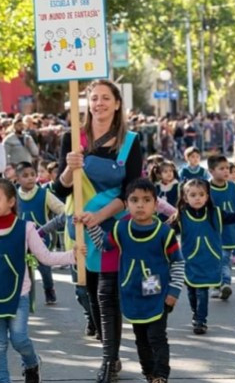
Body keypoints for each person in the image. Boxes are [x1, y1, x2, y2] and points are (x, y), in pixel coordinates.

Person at [53, 79, 142, 382]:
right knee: (90, 295)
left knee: (107, 295)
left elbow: (132, 192)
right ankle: (109, 348)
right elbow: (59, 189)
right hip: (78, 229)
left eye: (106, 98)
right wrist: (69, 167)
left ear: (117, 103)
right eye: (94, 98)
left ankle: (109, 360)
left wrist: (100, 215)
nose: (99, 103)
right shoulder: (72, 139)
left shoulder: (130, 141)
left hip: (111, 229)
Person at [0, 178, 76, 383]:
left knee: (19, 339)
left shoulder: (25, 228)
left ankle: (31, 362)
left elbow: (45, 257)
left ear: (11, 201)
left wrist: (73, 255)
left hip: (19, 295)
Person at [96, 179, 183, 383]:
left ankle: (161, 375)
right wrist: (89, 224)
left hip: (158, 296)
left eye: (146, 200)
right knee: (141, 340)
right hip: (132, 296)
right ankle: (149, 374)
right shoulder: (120, 229)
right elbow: (103, 245)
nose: (140, 205)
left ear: (155, 205)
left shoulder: (164, 233)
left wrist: (173, 292)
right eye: (134, 200)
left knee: (157, 338)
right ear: (127, 204)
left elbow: (178, 263)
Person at [174, 178, 235, 335]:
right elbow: (164, 232)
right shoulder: (181, 216)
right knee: (191, 291)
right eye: (193, 195)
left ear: (207, 196)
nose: (197, 198)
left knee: (202, 291)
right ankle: (195, 313)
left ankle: (201, 320)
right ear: (185, 197)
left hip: (209, 260)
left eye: (201, 194)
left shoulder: (215, 213)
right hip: (190, 261)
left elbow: (233, 217)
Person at [15, 161, 65, 305]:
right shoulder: (12, 196)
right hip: (20, 239)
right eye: (25, 176)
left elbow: (61, 209)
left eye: (33, 175)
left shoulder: (44, 194)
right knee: (22, 269)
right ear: (17, 179)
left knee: (44, 268)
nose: (30, 178)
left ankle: (49, 289)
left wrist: (58, 221)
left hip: (42, 239)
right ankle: (25, 296)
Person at [208, 155, 235, 296]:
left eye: (227, 168)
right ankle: (217, 285)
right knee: (215, 259)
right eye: (222, 168)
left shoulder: (234, 187)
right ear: (211, 171)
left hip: (231, 230)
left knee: (224, 258)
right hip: (212, 231)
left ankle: (225, 283)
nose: (226, 171)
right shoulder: (206, 189)